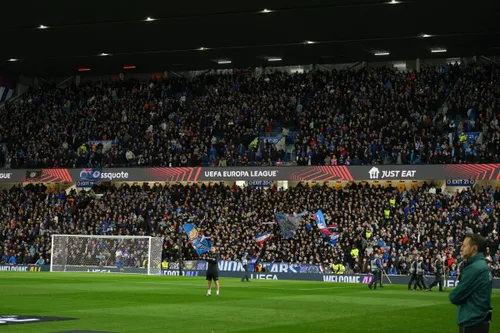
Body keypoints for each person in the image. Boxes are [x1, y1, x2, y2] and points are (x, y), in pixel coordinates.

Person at [449, 234, 493, 333]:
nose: (461, 248)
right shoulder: (482, 265)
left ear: (474, 248)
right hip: (480, 320)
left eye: (464, 246)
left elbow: (454, 296)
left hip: (472, 322)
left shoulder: (474, 268)